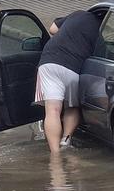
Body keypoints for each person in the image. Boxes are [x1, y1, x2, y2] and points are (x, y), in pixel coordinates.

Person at [35, 10, 100, 153]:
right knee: (72, 107)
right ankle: (66, 139)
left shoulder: (77, 14)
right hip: (73, 66)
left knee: (52, 110)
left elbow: (52, 29)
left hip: (49, 62)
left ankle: (55, 154)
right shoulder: (100, 31)